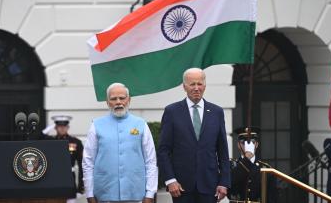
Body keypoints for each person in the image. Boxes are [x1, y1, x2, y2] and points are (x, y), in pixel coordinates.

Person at [158, 68, 231, 203]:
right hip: (180, 187)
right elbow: (163, 150)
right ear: (184, 86)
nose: (196, 88)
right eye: (192, 84)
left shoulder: (217, 112)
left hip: (210, 186)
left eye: (199, 84)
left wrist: (224, 182)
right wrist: (170, 180)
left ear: (205, 85)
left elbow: (223, 151)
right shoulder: (172, 112)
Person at [82, 83, 158, 203]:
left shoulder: (141, 124)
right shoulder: (96, 125)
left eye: (122, 98)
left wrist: (150, 193)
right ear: (107, 102)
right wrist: (89, 193)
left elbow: (151, 161)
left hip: (136, 195)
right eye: (113, 99)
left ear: (129, 100)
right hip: (104, 195)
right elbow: (88, 162)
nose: (118, 102)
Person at [41, 115, 84, 202]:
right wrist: (49, 128)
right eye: (59, 126)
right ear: (56, 128)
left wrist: (81, 188)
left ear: (68, 127)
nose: (62, 128)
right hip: (53, 179)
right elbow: (38, 138)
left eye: (64, 126)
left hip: (69, 180)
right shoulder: (50, 141)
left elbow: (82, 165)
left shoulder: (76, 142)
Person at [229, 127, 277, 203]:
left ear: (257, 145)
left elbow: (272, 199)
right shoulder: (231, 165)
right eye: (244, 143)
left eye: (252, 142)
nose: (248, 146)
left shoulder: (266, 169)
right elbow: (229, 184)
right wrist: (247, 158)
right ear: (238, 145)